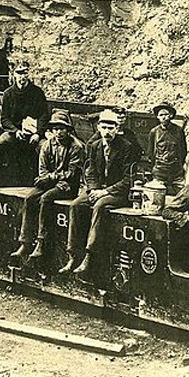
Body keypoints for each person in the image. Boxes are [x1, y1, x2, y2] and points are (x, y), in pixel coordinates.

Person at [60, 109, 139, 276]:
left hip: (117, 192)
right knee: (76, 205)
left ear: (117, 128)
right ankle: (73, 254)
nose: (107, 132)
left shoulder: (127, 147)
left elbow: (128, 180)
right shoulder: (94, 146)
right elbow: (89, 171)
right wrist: (94, 189)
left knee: (100, 206)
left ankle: (90, 254)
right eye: (104, 127)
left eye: (111, 128)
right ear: (98, 128)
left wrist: (104, 192)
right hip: (97, 189)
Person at [10, 109, 84, 260]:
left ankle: (41, 242)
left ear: (68, 130)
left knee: (46, 199)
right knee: (30, 198)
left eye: (62, 129)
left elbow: (72, 173)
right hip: (52, 182)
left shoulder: (76, 147)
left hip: (68, 186)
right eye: (55, 129)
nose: (58, 132)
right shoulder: (47, 145)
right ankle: (25, 242)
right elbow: (42, 170)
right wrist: (49, 178)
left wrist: (50, 177)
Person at [0, 61, 49, 187]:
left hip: (34, 133)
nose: (22, 77)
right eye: (19, 73)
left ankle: (45, 183)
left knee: (45, 147)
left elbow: (44, 115)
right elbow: (4, 119)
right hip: (15, 133)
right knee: (0, 144)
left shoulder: (37, 93)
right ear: (14, 75)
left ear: (29, 74)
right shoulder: (8, 94)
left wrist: (38, 133)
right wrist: (15, 131)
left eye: (25, 73)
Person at [145, 102, 187, 196]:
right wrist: (156, 167)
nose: (163, 117)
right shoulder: (154, 132)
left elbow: (183, 151)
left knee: (179, 194)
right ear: (157, 117)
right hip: (160, 171)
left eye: (166, 114)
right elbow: (150, 153)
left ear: (171, 115)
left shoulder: (178, 130)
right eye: (161, 115)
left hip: (176, 170)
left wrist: (179, 165)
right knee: (157, 195)